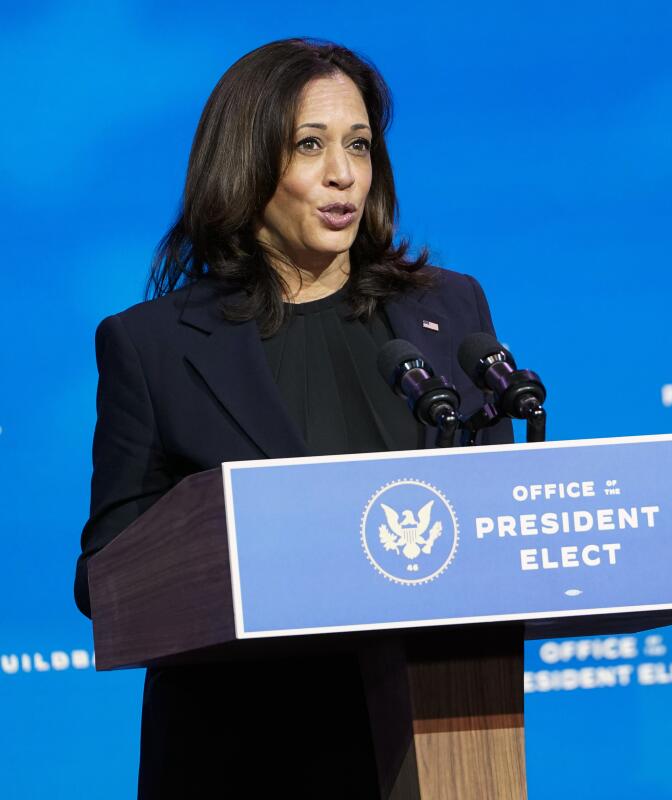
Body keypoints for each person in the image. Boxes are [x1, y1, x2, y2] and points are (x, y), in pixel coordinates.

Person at [73, 39, 512, 798]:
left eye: (359, 145)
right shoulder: (154, 347)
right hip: (244, 752)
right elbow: (104, 578)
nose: (343, 174)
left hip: (441, 734)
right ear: (245, 164)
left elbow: (499, 517)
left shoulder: (448, 311)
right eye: (310, 145)